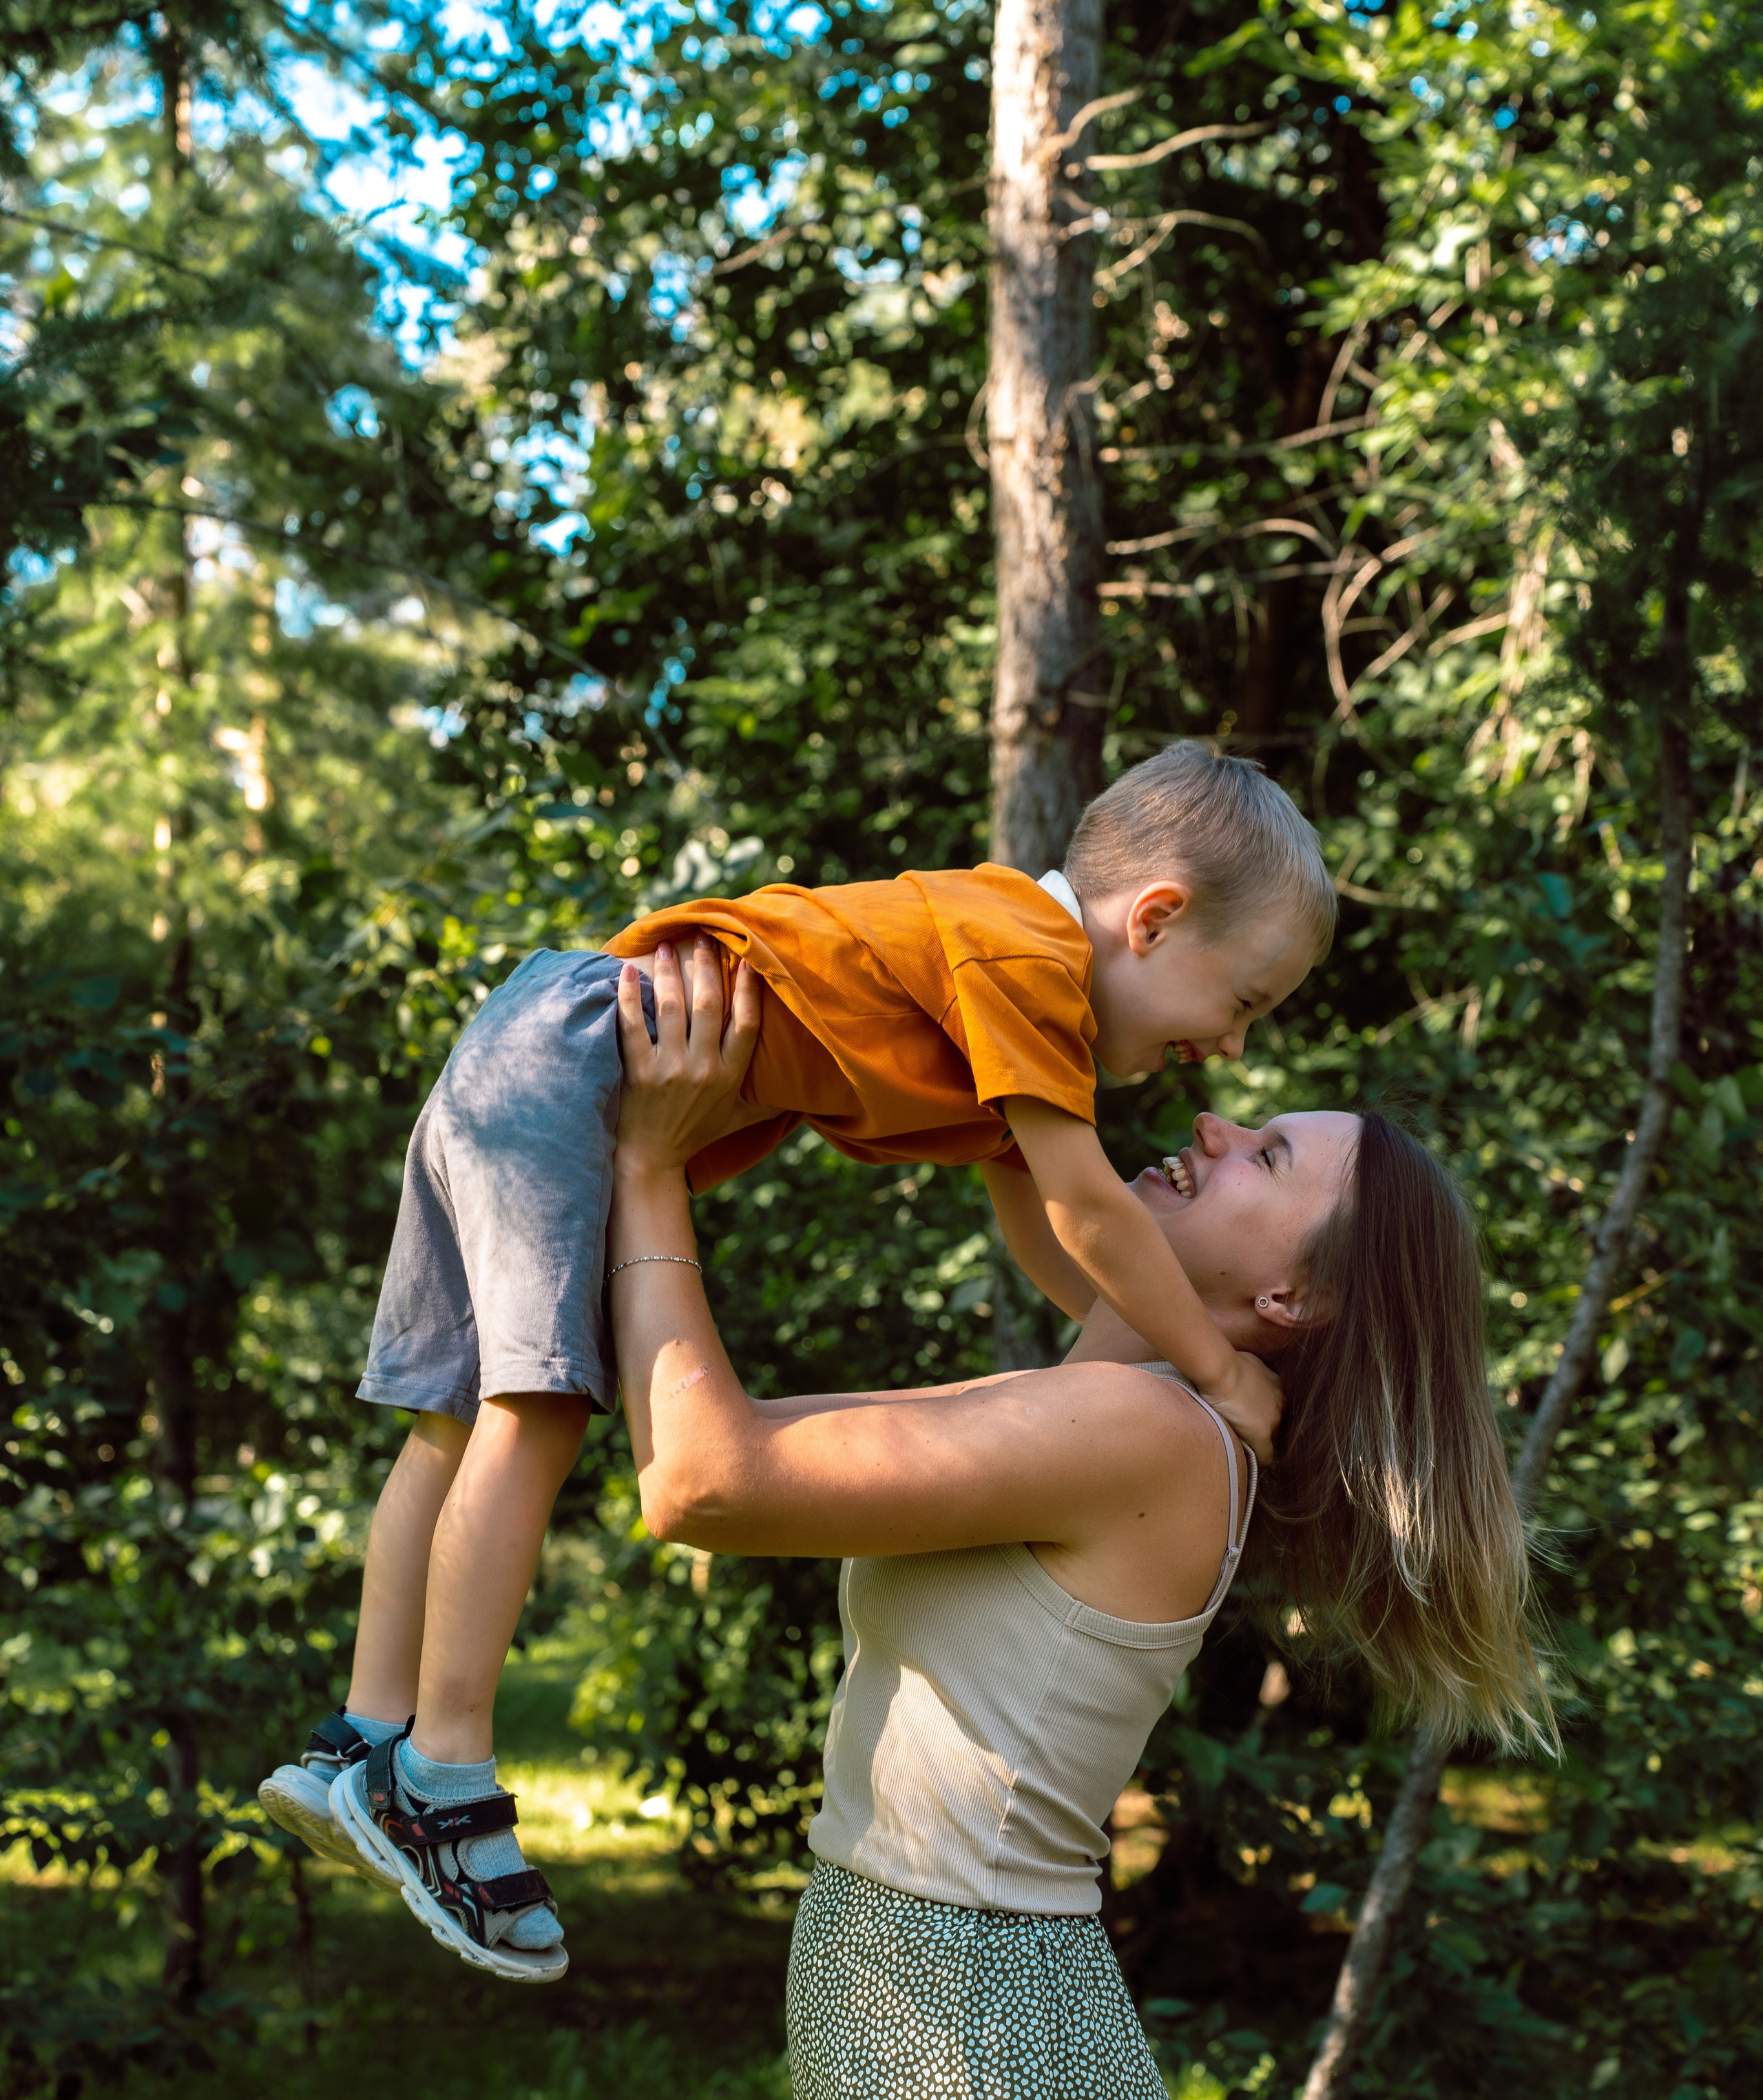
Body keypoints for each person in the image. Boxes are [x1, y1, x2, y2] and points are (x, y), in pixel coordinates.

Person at [603, 944, 1554, 2100]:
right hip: (930, 1990)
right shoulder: (1126, 1395)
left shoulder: (1146, 1435)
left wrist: (647, 1168)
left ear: (1290, 1302)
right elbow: (1037, 1182)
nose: (1217, 1125)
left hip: (962, 2011)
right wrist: (1011, 1017)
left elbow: (701, 1480)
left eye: (1269, 1156)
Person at [261, 742, 1335, 1978]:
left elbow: (1042, 1227)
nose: (1236, 1050)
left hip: (532, 1041)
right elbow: (1089, 1207)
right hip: (580, 1059)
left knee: (450, 1424)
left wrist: (1131, 1349)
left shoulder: (996, 970)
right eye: (1245, 1002)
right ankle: (439, 1773)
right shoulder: (1031, 966)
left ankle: (360, 1734)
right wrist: (1218, 1365)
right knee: (533, 1411)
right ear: (1154, 920)